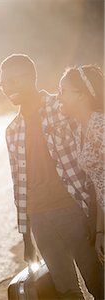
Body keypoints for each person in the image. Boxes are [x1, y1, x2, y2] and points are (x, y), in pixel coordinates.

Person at [0, 54, 103, 299]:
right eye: (4, 84)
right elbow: (19, 186)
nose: (8, 89)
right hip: (39, 218)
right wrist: (26, 236)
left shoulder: (60, 107)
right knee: (66, 289)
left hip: (74, 208)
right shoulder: (12, 131)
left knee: (97, 282)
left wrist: (96, 215)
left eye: (13, 81)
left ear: (31, 78)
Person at [58, 65, 104, 264]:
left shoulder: (100, 126)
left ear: (81, 95)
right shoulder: (80, 131)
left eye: (63, 92)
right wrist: (100, 231)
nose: (59, 97)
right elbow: (98, 183)